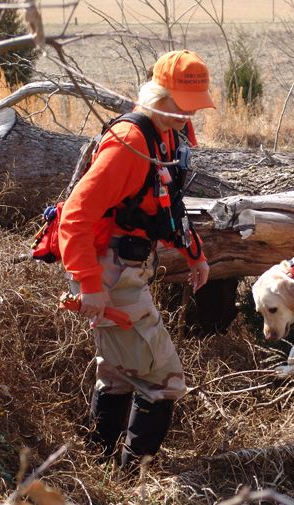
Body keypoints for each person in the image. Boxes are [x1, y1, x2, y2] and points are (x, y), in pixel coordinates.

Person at [58, 49, 214, 470]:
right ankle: (133, 478)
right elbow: (74, 216)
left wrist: (194, 255)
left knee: (118, 374)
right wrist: (89, 284)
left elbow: (168, 204)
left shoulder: (166, 135)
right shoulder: (129, 144)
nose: (189, 117)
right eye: (183, 107)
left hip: (126, 268)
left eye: (194, 108)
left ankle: (98, 469)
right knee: (165, 382)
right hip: (109, 272)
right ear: (159, 97)